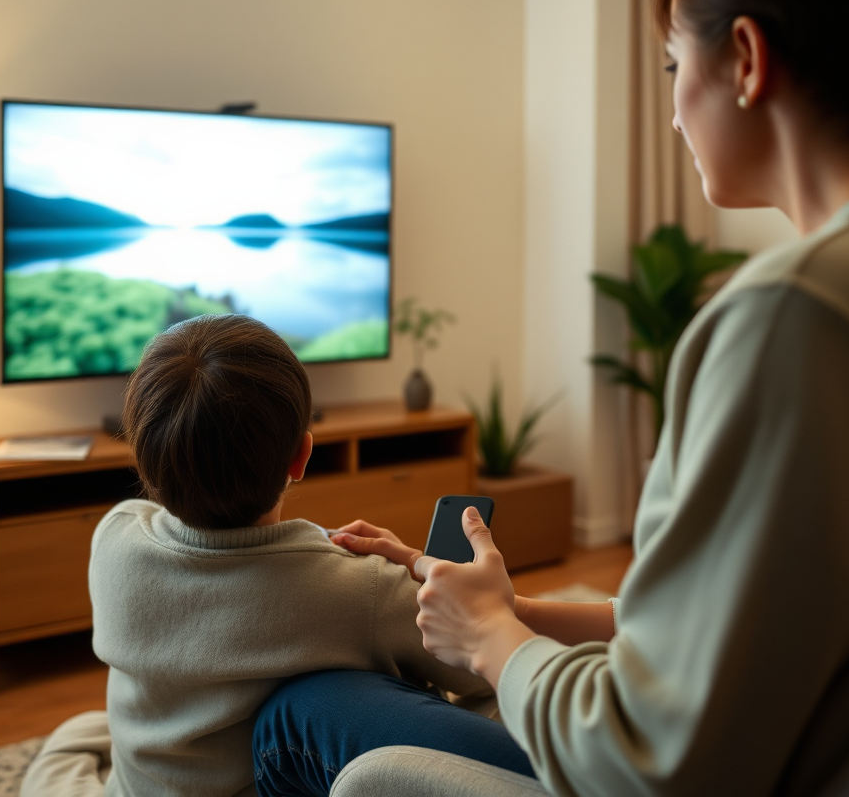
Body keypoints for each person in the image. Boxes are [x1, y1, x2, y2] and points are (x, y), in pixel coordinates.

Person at [254, 0, 849, 797]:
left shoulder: (797, 312)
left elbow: (649, 761)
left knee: (308, 726)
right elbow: (723, 634)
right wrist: (500, 606)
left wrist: (493, 641)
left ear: (747, 59)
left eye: (675, 67)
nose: (673, 112)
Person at [88, 313, 534, 797]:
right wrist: (411, 577)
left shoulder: (114, 536)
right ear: (301, 456)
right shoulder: (362, 588)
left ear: (143, 458)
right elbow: (479, 672)